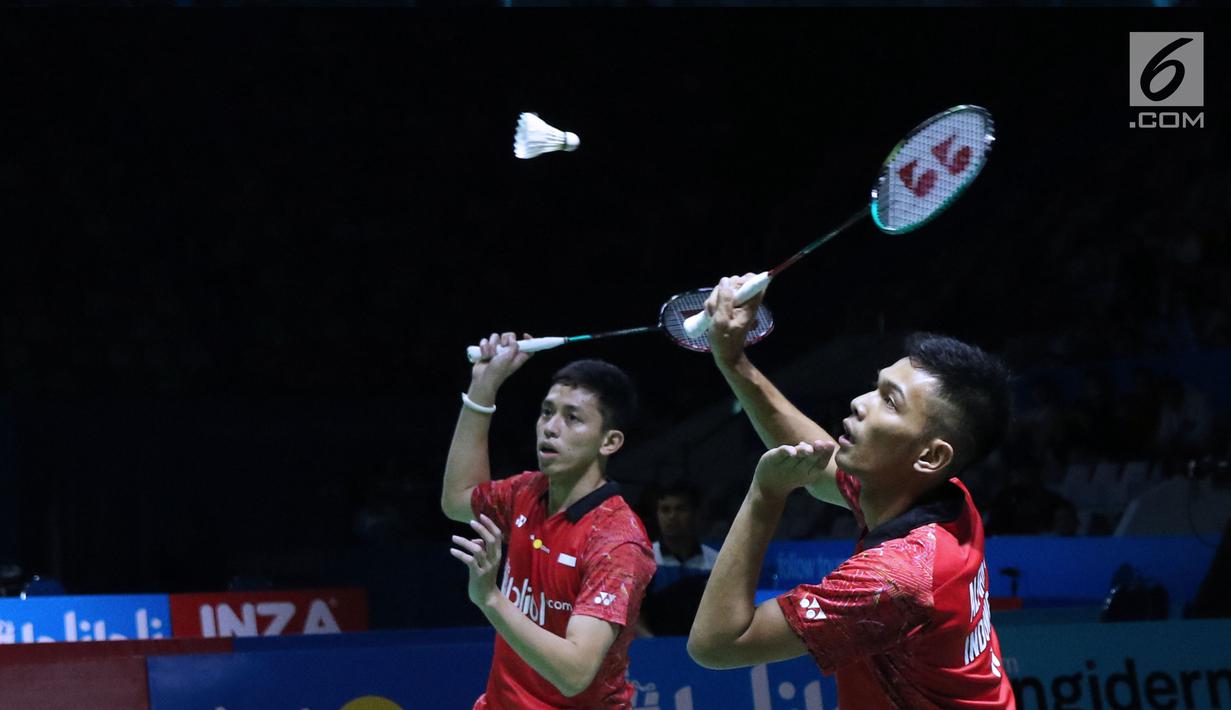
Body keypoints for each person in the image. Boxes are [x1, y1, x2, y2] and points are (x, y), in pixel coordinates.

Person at [686, 276, 1016, 709]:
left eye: (890, 402)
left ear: (931, 455)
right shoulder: (940, 497)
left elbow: (717, 644)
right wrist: (733, 360)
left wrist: (765, 497)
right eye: (875, 388)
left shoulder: (896, 579)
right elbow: (819, 465)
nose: (860, 402)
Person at [441, 333, 655, 709]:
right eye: (546, 412)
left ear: (610, 442)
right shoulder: (527, 492)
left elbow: (574, 673)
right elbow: (458, 500)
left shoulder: (616, 542)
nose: (551, 427)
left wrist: (491, 598)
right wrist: (483, 388)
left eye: (572, 418)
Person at [637, 483, 719, 636]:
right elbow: (633, 614)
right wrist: (655, 645)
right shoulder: (643, 559)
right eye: (665, 510)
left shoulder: (716, 563)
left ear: (695, 514)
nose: (672, 516)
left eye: (680, 509)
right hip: (652, 651)